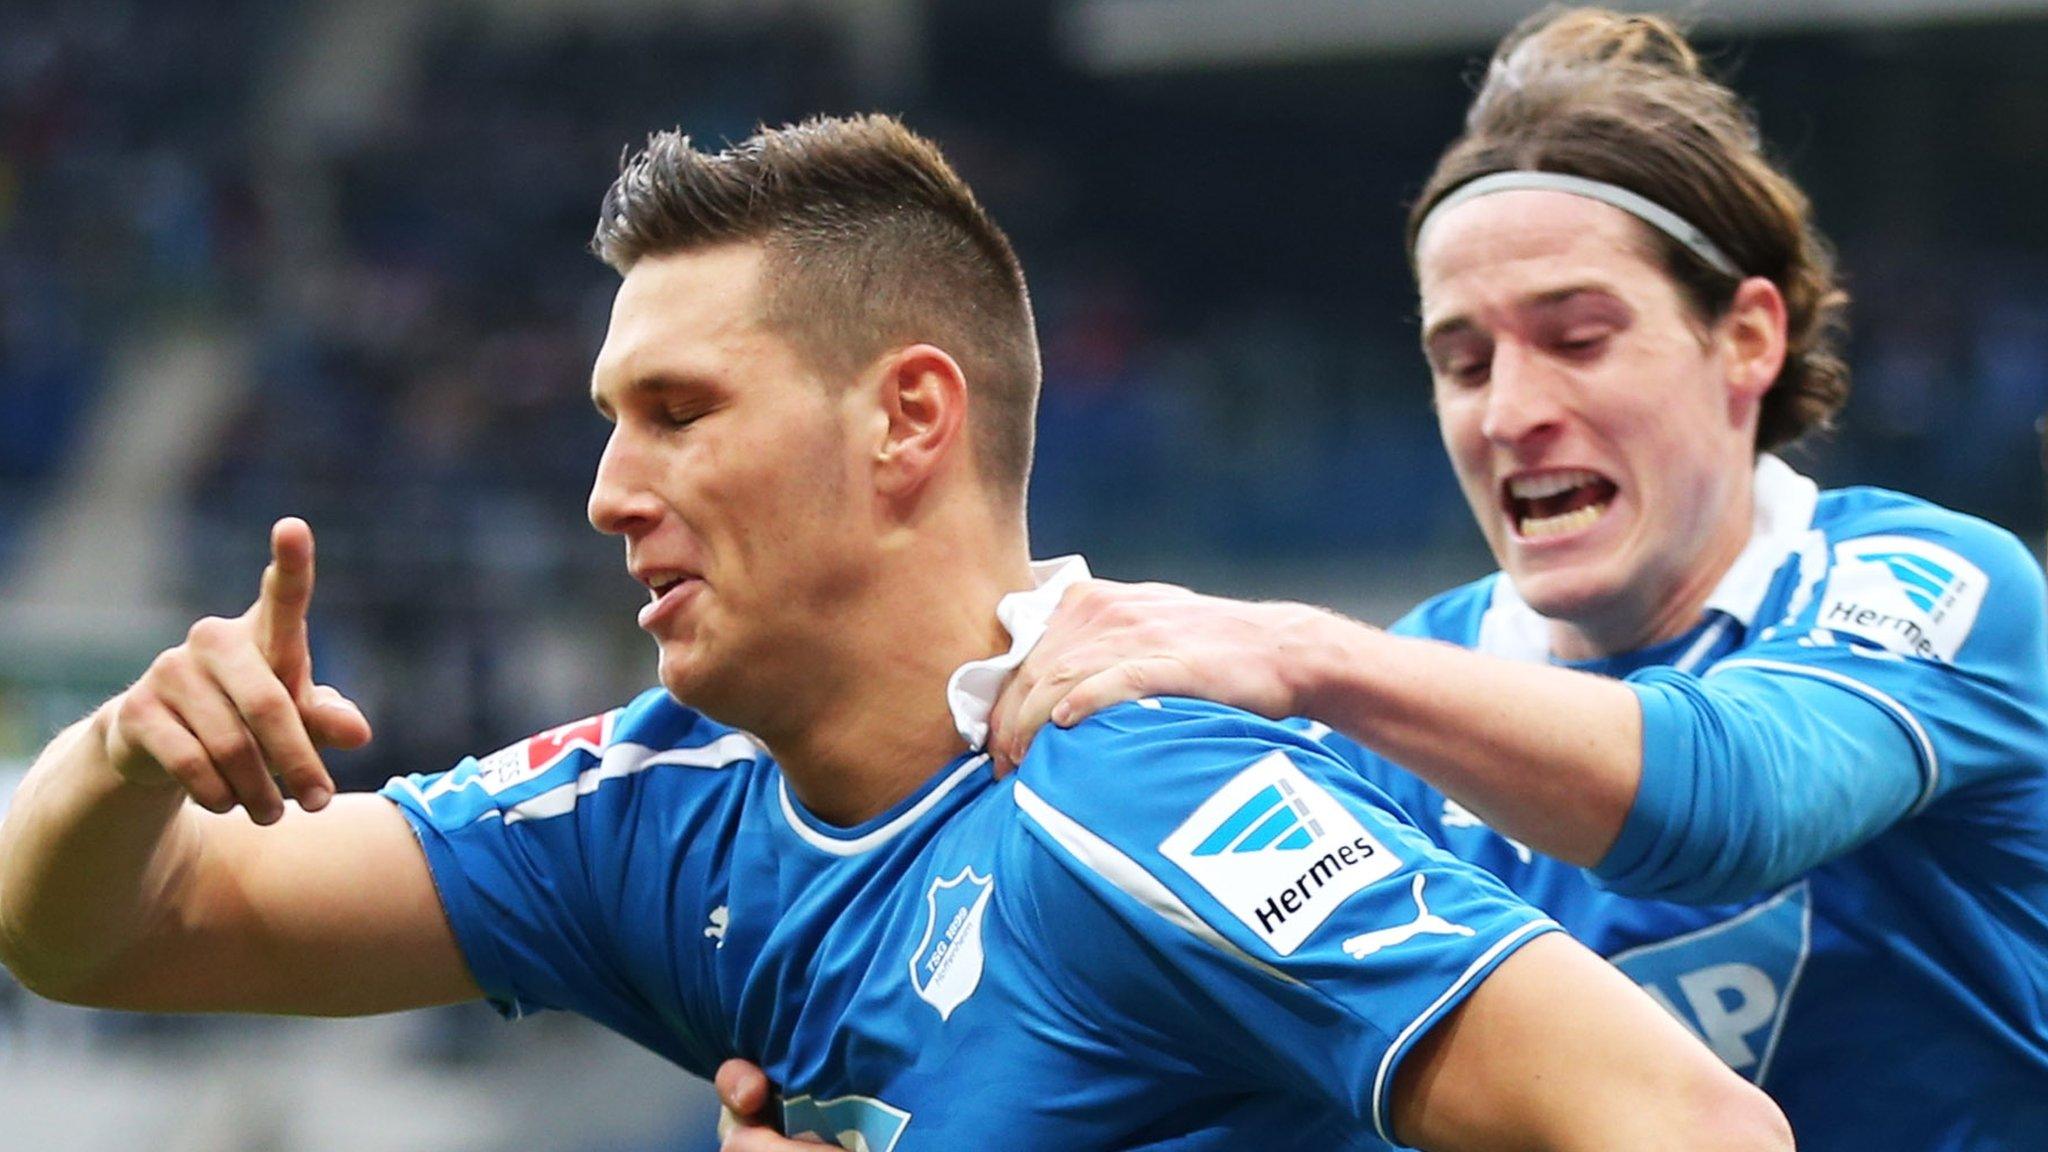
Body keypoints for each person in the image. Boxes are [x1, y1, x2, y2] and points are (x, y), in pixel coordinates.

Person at [0, 115, 1786, 1150]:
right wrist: (123, 750)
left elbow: (1698, 1131)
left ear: (907, 422)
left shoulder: (1143, 787)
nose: (611, 490)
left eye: (681, 410)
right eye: (608, 420)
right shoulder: (654, 816)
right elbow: (118, 929)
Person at [787, 9, 2048, 1150]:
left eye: (1576, 337)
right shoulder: (1396, 729)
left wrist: (1305, 658)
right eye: (1460, 360)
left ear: (1747, 339)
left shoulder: (1926, 582)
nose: (1510, 411)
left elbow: (1734, 804)